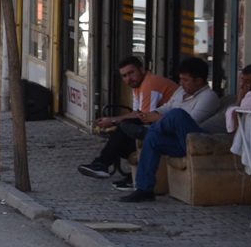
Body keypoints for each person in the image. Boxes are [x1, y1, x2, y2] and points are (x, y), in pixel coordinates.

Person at [120, 57, 223, 202]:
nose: (181, 83)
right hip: (177, 140)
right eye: (180, 79)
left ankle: (150, 130)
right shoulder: (181, 91)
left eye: (186, 80)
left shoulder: (209, 97)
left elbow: (190, 121)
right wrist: (152, 114)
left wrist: (157, 120)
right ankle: (144, 189)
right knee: (152, 138)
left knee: (178, 114)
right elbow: (167, 107)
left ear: (199, 81)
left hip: (193, 139)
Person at [78, 56, 180, 180]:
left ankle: (103, 164)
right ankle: (119, 171)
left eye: (131, 73)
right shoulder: (137, 85)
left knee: (123, 130)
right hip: (160, 125)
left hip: (172, 130)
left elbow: (144, 118)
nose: (128, 78)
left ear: (142, 70)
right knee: (120, 137)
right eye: (124, 76)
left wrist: (114, 121)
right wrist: (113, 120)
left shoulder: (150, 84)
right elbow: (137, 113)